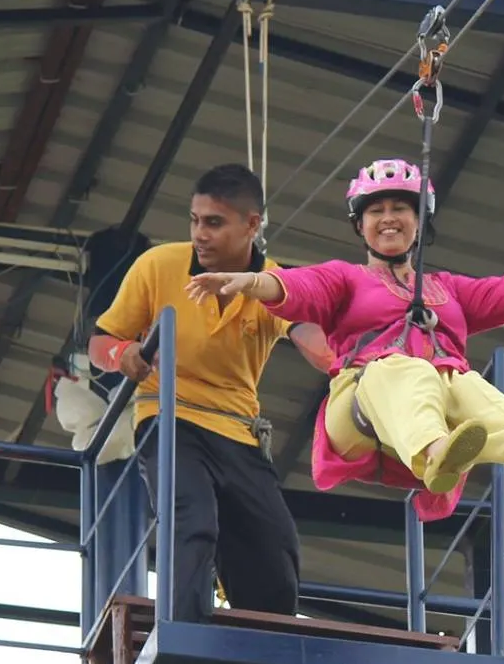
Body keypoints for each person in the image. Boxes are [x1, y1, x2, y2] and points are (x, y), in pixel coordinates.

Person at [185, 158, 504, 520]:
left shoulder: (447, 288)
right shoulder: (345, 278)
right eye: (376, 211)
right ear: (360, 225)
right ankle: (435, 453)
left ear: (420, 221)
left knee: (464, 382)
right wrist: (250, 281)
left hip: (435, 405)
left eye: (401, 208)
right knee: (405, 368)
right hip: (359, 405)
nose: (389, 218)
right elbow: (298, 289)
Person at [87, 164, 334, 622]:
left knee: (276, 552)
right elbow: (99, 341)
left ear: (252, 225)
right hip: (168, 418)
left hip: (239, 432)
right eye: (195, 220)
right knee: (193, 523)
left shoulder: (275, 283)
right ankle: (185, 634)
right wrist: (123, 354)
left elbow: (311, 338)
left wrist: (351, 362)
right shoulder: (158, 265)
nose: (200, 233)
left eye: (214, 222)